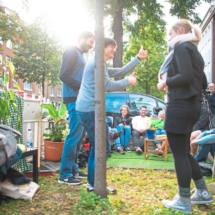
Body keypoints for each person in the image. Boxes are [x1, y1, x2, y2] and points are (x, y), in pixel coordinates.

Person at [76, 38, 148, 192]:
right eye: (112, 47)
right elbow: (107, 85)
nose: (115, 50)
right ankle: (95, 184)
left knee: (100, 146)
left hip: (87, 109)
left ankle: (93, 184)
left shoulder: (100, 63)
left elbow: (120, 71)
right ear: (103, 47)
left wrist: (137, 59)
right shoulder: (97, 63)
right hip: (89, 110)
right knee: (102, 146)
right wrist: (127, 82)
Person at [157, 19, 213, 214]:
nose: (168, 38)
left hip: (179, 105)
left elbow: (185, 76)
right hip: (192, 106)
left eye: (170, 34)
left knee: (179, 153)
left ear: (180, 31)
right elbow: (203, 82)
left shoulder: (181, 48)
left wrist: (165, 83)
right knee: (185, 152)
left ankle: (184, 201)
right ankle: (202, 192)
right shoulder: (195, 52)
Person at [58, 31, 95, 185]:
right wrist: (84, 87)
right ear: (82, 39)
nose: (92, 46)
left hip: (79, 99)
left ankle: (73, 169)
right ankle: (64, 175)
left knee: (80, 136)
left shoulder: (80, 54)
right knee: (74, 135)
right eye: (90, 42)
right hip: (73, 98)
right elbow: (64, 75)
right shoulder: (72, 51)